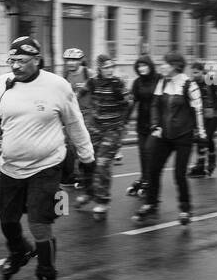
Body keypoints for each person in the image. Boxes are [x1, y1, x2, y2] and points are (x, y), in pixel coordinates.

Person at [0, 36, 94, 280]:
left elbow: (75, 123)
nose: (16, 66)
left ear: (37, 60)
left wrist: (87, 158)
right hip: (11, 167)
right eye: (12, 60)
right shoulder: (0, 86)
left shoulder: (57, 86)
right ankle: (19, 252)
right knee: (7, 219)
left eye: (22, 61)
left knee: (40, 223)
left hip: (47, 166)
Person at [134, 52, 206, 225]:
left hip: (183, 136)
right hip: (165, 135)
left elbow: (198, 109)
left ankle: (185, 208)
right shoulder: (162, 82)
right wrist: (155, 125)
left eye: (165, 64)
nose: (161, 67)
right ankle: (151, 203)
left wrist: (202, 133)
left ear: (175, 66)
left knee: (179, 174)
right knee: (153, 169)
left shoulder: (189, 85)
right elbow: (155, 105)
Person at [78, 54, 131, 218]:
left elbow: (129, 102)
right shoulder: (93, 82)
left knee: (102, 165)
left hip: (112, 130)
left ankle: (102, 201)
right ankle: (89, 193)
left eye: (111, 67)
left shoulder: (117, 83)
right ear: (99, 69)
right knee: (86, 161)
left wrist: (124, 123)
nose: (109, 71)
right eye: (106, 68)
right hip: (95, 129)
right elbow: (78, 95)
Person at [187, 62, 217, 176]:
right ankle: (201, 165)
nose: (194, 75)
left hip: (214, 113)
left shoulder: (211, 78)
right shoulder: (192, 82)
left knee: (206, 137)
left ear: (203, 72)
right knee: (202, 137)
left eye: (196, 72)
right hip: (201, 115)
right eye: (192, 72)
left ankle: (208, 161)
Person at [125, 55, 160, 197]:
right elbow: (132, 102)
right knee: (142, 153)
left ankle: (149, 181)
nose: (142, 68)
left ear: (150, 66)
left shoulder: (159, 79)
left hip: (156, 123)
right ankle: (144, 178)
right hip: (142, 123)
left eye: (144, 65)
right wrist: (125, 120)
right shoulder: (137, 82)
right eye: (139, 66)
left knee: (149, 152)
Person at [59, 48, 93, 189]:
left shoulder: (88, 73)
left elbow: (97, 87)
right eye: (68, 60)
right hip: (70, 114)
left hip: (87, 113)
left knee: (83, 143)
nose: (71, 63)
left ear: (81, 60)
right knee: (69, 146)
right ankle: (71, 175)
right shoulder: (65, 75)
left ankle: (86, 176)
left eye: (74, 60)